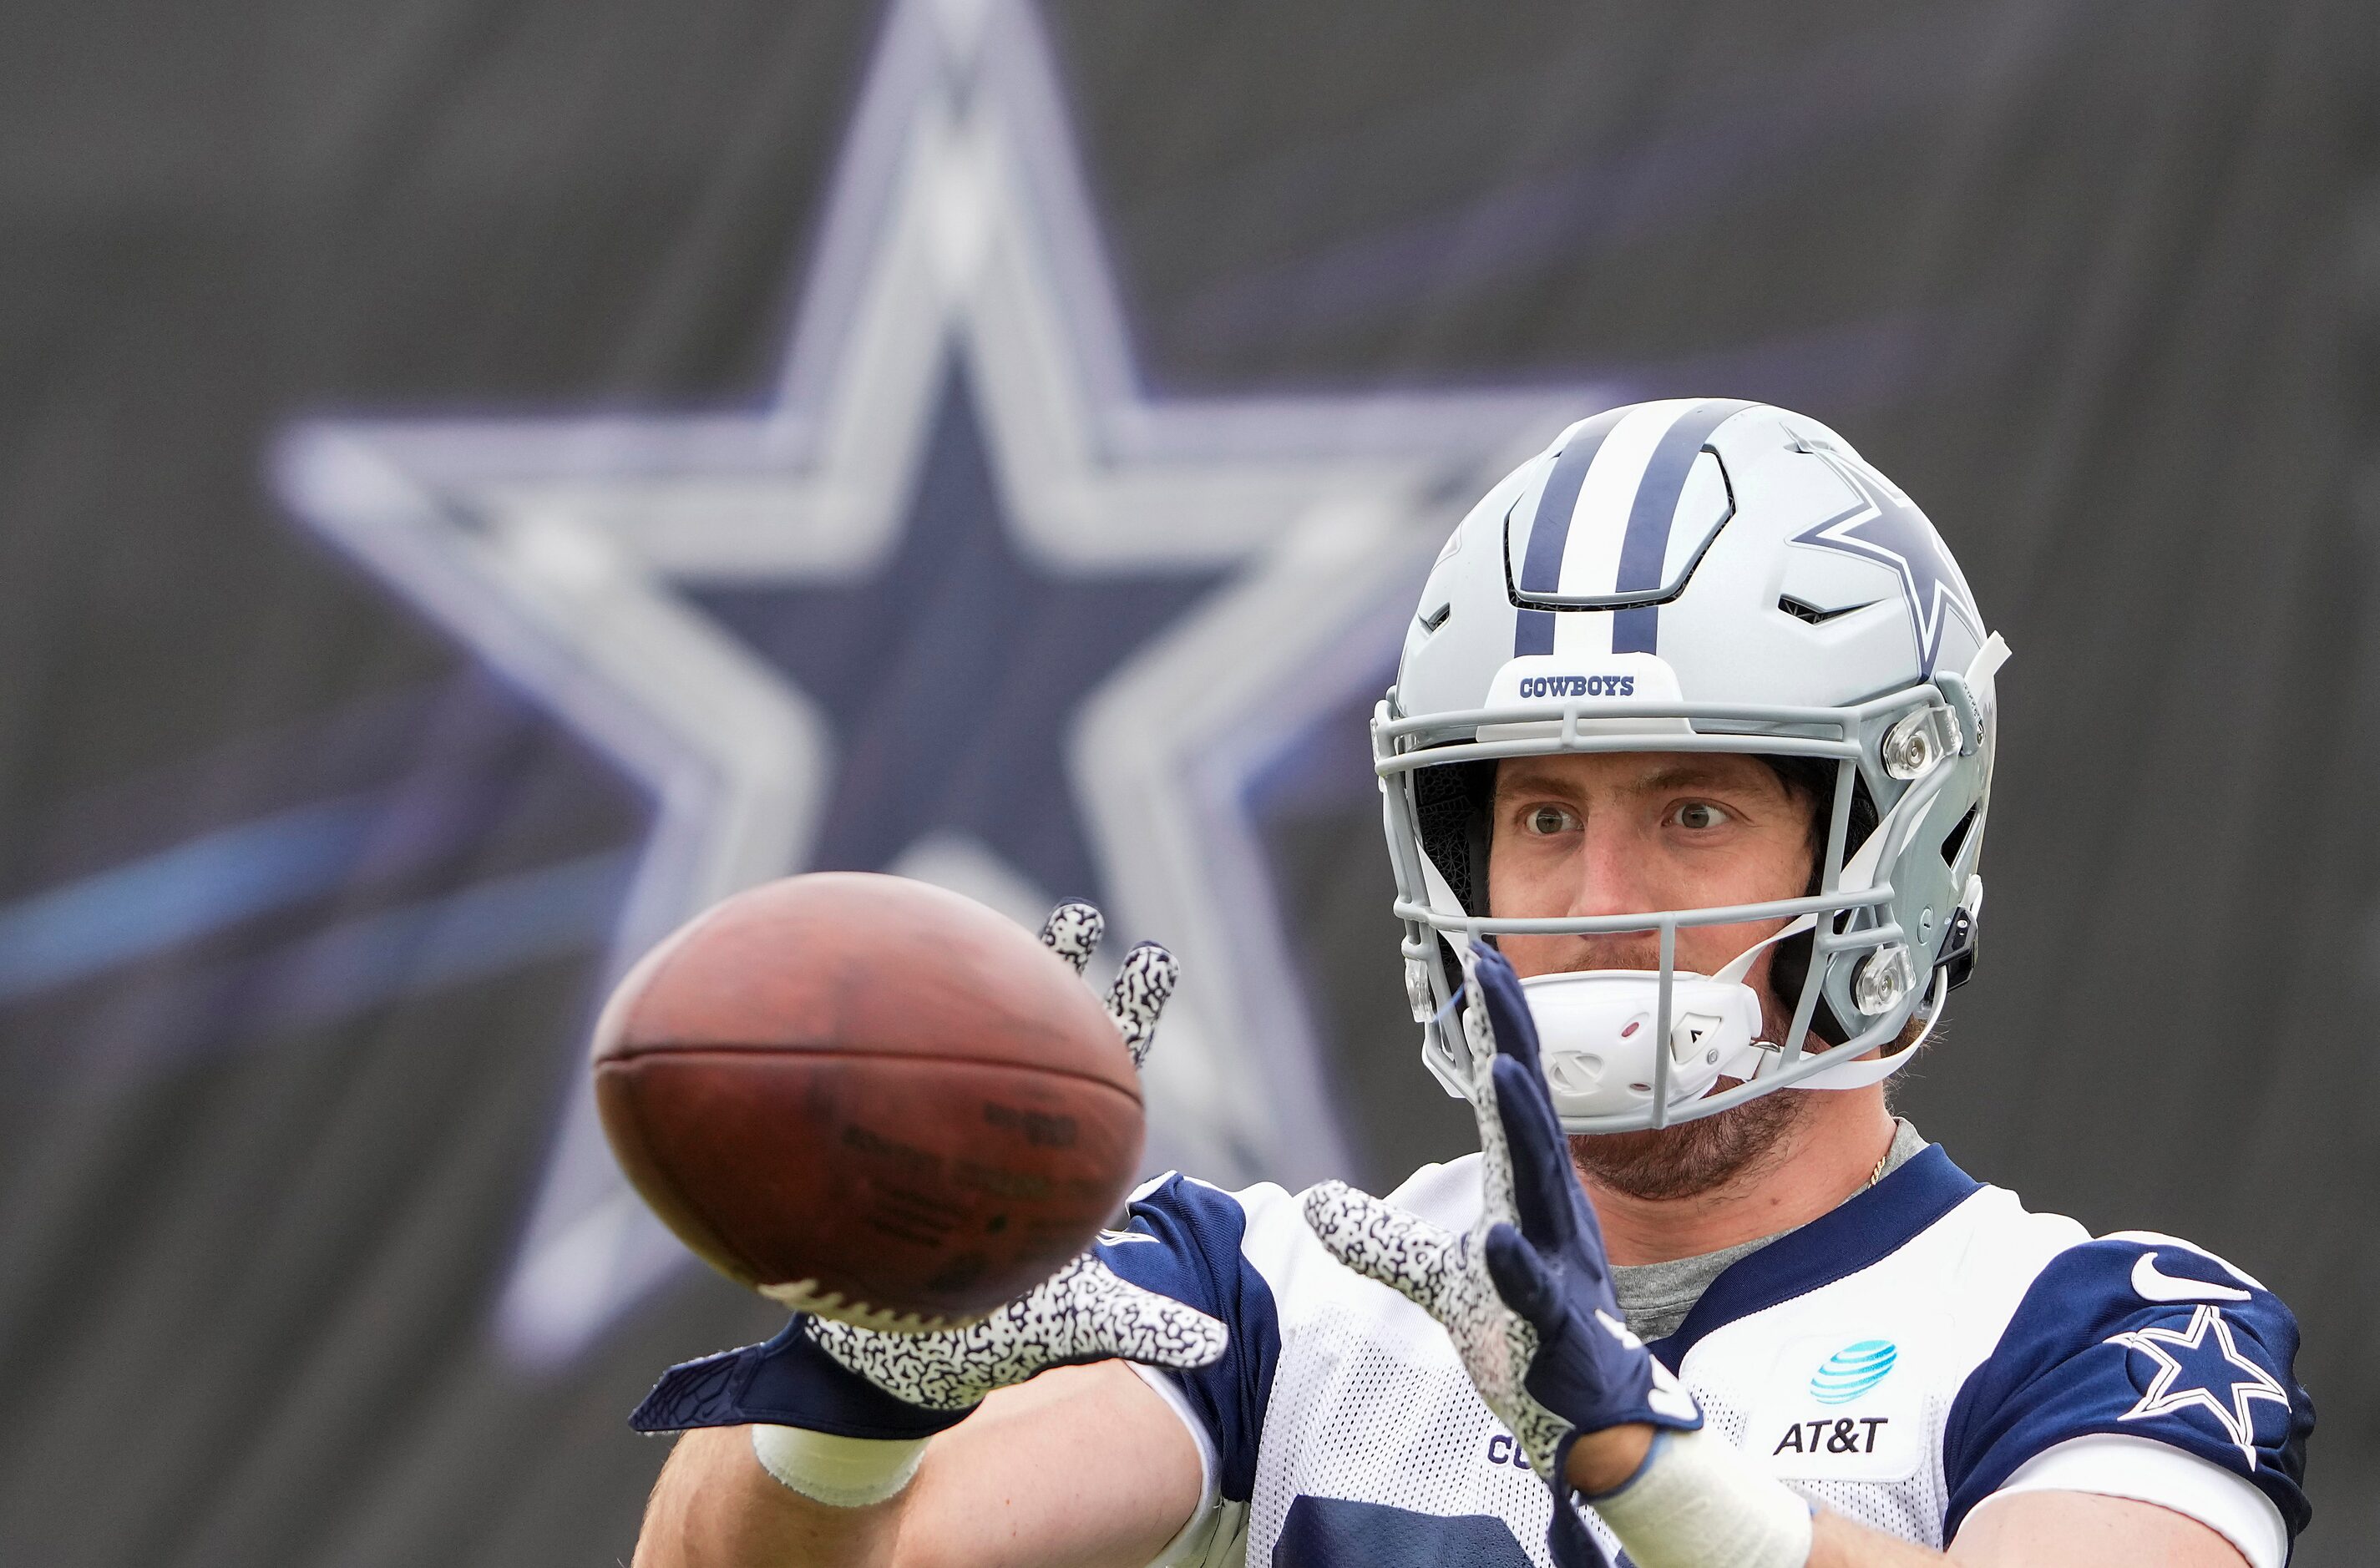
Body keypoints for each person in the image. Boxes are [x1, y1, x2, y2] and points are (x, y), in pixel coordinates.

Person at [627, 400, 2312, 1568]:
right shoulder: (1276, 1297)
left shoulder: (2111, 1330)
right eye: (1541, 813)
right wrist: (857, 1376)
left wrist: (1647, 1466)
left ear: (1894, 840)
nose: (1592, 900)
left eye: (1696, 812)